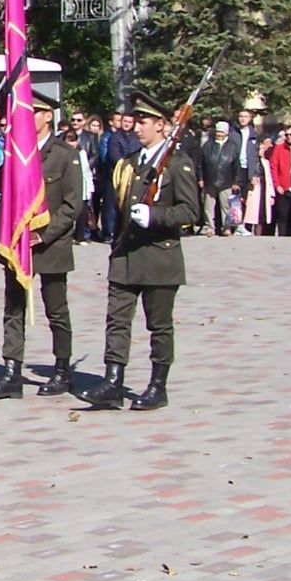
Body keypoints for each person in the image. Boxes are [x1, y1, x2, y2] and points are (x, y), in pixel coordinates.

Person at [81, 93, 201, 411]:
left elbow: (190, 211)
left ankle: (157, 385)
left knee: (159, 324)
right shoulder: (131, 164)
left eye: (144, 122)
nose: (137, 128)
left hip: (159, 256)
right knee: (117, 320)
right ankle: (112, 381)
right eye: (136, 122)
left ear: (161, 126)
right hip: (126, 254)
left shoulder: (178, 163)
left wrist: (156, 216)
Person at [0, 88, 81, 400]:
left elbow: (72, 205)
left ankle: (62, 370)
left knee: (56, 309)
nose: (22, 118)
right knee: (13, 307)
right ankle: (12, 372)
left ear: (47, 116)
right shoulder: (15, 152)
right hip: (18, 243)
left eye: (30, 112)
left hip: (50, 245)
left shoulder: (65, 155)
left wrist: (45, 233)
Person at [198, 120, 238, 236]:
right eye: (218, 132)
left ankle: (226, 228)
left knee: (225, 206)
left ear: (226, 133)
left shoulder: (233, 147)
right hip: (210, 180)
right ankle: (210, 227)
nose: (219, 135)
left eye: (222, 132)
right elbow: (201, 164)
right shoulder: (207, 146)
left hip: (226, 181)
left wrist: (236, 181)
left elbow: (236, 165)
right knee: (208, 206)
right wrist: (200, 178)